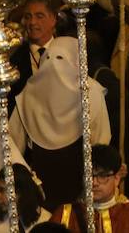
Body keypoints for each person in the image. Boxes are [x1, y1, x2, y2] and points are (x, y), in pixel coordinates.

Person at [10, 36, 112, 210]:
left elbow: (101, 142)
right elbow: (12, 143)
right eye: (48, 58)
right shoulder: (29, 94)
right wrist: (28, 180)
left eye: (61, 59)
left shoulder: (91, 93)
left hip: (82, 187)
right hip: (43, 190)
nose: (54, 66)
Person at [51, 145, 129, 233]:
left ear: (117, 178)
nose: (94, 183)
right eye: (89, 176)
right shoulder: (66, 214)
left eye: (102, 176)